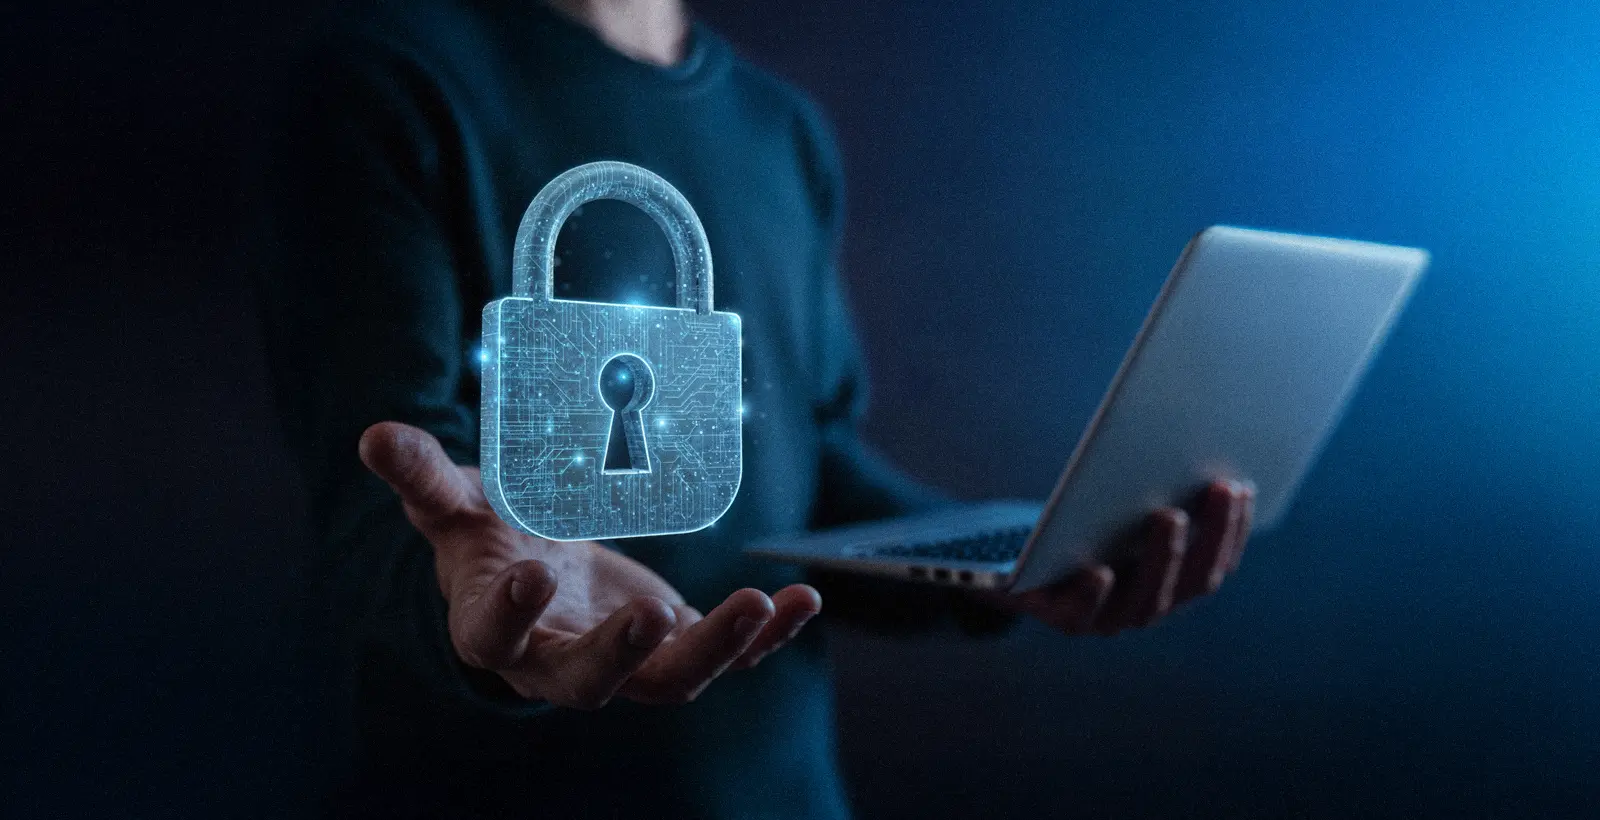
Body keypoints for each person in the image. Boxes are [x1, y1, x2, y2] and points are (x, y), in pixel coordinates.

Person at [256, 0, 1255, 816]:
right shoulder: (387, 79)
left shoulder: (781, 130)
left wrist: (1001, 560)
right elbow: (382, 489)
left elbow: (806, 471)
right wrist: (475, 604)